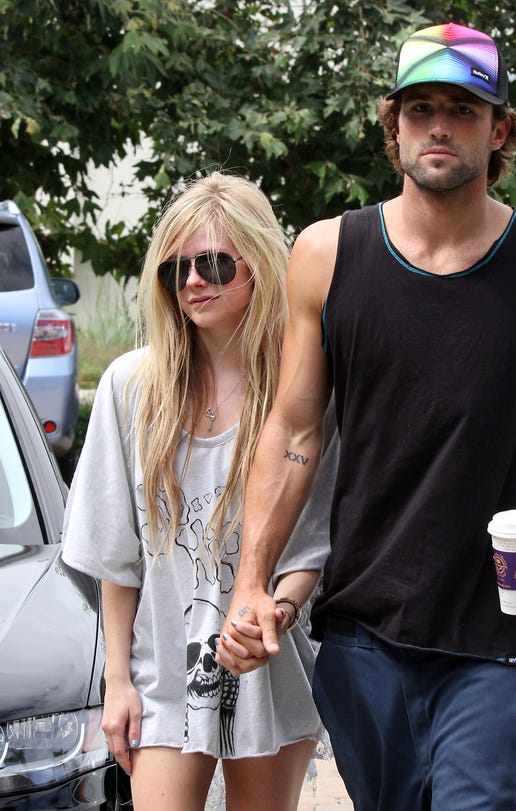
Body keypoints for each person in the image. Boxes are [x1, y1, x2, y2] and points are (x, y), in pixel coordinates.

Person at [214, 22, 516, 811]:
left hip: (501, 630)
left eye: (463, 110)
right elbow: (294, 431)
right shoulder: (328, 255)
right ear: (394, 126)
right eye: (420, 109)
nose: (439, 126)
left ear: (499, 130)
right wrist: (249, 581)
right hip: (363, 630)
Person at [61, 172, 337, 811]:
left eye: (212, 263)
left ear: (258, 264)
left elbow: (315, 540)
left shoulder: (301, 394)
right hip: (162, 673)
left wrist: (276, 615)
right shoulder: (132, 387)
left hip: (268, 666)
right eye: (174, 270)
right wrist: (118, 681)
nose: (191, 281)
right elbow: (115, 555)